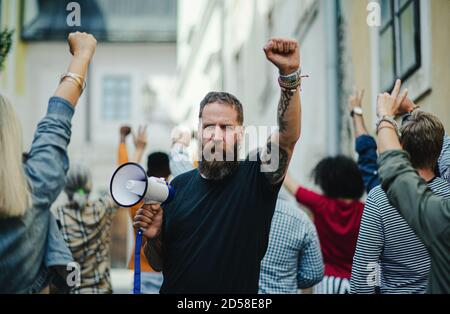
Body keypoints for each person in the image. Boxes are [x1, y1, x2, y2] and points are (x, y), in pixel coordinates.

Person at [134, 38, 302, 294]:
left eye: (226, 127)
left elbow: (287, 137)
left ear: (241, 134)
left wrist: (289, 77)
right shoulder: (177, 187)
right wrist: (155, 237)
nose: (216, 134)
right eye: (209, 126)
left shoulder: (257, 177)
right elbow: (158, 264)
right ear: (198, 131)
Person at [168, 127, 324, 294]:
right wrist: (286, 276)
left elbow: (186, 174)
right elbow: (313, 273)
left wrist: (179, 144)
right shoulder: (300, 220)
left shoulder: (229, 206)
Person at [0, 32, 97, 293]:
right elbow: (56, 121)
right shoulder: (36, 188)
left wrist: (81, 56)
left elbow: (55, 122)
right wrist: (82, 55)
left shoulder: (60, 210)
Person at [351, 110, 450, 294]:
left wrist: (375, 285)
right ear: (438, 150)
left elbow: (366, 267)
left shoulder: (379, 198)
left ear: (401, 147)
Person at [375, 79, 450, 294]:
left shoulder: (378, 199)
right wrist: (414, 111)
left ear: (402, 148)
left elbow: (367, 263)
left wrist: (386, 118)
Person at [283, 157, 365, 294]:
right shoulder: (365, 210)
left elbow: (290, 183)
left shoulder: (321, 205)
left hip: (327, 281)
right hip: (357, 281)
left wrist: (277, 151)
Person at [348, 88, 450, 192]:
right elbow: (441, 144)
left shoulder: (379, 196)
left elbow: (367, 160)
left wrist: (382, 115)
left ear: (401, 147)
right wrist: (412, 108)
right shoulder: (446, 189)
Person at [117, 125, 167, 294]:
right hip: (170, 272)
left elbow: (124, 178)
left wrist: (130, 145)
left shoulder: (139, 199)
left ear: (147, 171)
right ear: (169, 173)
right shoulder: (176, 197)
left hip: (143, 272)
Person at [55, 164, 120, 294]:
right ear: (89, 186)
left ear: (66, 188)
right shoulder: (101, 209)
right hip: (102, 290)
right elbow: (122, 188)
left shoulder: (58, 217)